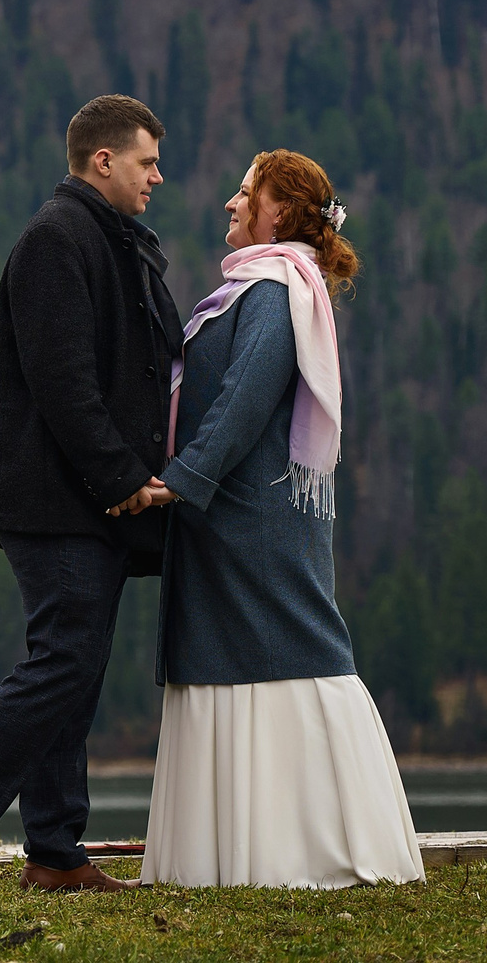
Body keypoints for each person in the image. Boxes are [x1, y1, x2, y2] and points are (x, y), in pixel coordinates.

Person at [0, 95, 183, 895]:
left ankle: (54, 852)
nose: (158, 175)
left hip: (84, 500)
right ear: (103, 160)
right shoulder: (56, 241)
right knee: (63, 658)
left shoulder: (114, 241)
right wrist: (121, 478)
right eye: (146, 160)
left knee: (76, 664)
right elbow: (63, 382)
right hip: (53, 501)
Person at [133, 150, 421, 888]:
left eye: (244, 193)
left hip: (252, 520)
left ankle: (320, 849)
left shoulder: (274, 291)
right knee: (219, 661)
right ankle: (225, 859)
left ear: (281, 213)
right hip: (220, 519)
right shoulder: (251, 290)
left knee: (296, 650)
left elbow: (247, 394)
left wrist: (182, 479)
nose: (230, 204)